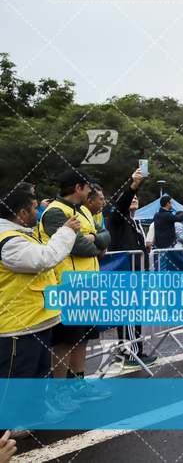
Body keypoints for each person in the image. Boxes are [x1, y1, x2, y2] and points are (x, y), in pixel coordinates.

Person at [0, 189, 79, 439]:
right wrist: (66, 231)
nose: (38, 212)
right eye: (35, 208)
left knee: (36, 374)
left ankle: (33, 414)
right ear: (22, 213)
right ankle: (5, 429)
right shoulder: (8, 240)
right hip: (16, 325)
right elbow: (45, 259)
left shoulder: (20, 235)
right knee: (15, 379)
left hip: (36, 320)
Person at [38, 168, 111, 403]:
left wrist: (95, 240)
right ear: (78, 188)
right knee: (65, 340)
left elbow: (106, 235)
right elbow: (78, 247)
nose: (91, 190)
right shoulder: (55, 212)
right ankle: (59, 392)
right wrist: (97, 244)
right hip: (67, 285)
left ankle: (78, 384)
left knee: (83, 337)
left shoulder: (82, 211)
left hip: (88, 284)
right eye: (88, 186)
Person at [105, 168, 158, 368]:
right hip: (124, 275)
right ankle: (128, 355)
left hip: (137, 275)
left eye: (136, 197)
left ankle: (136, 351)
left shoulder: (135, 222)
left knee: (135, 315)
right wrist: (133, 184)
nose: (134, 199)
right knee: (127, 315)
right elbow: (121, 205)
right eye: (130, 198)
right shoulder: (117, 219)